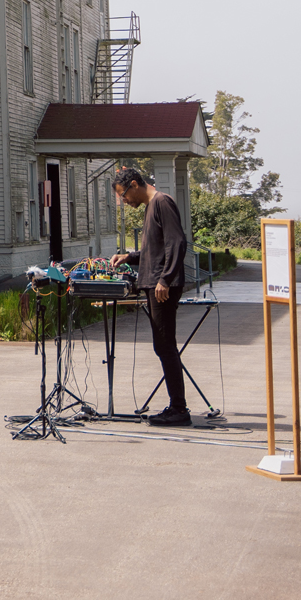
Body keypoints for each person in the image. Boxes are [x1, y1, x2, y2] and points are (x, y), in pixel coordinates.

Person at [113, 166, 191, 427]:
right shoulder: (151, 207)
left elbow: (177, 243)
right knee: (163, 346)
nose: (124, 201)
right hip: (155, 284)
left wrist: (165, 279)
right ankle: (176, 406)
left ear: (134, 184)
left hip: (162, 287)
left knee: (166, 346)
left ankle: (179, 409)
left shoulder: (162, 202)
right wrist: (130, 257)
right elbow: (154, 250)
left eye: (123, 195)